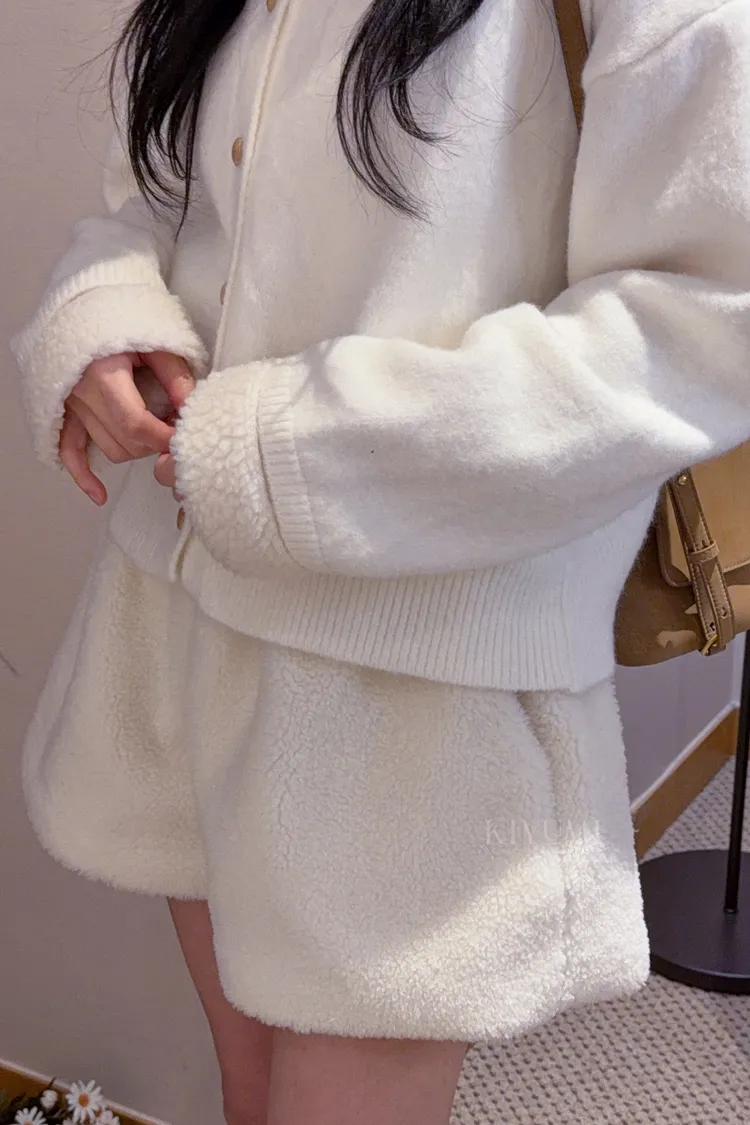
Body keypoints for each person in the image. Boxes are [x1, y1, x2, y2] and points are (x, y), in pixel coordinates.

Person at [10, 0, 750, 1121]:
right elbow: (159, 194)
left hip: (417, 696)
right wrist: (104, 315)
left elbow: (710, 319)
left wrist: (293, 455)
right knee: (249, 1092)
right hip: (178, 624)